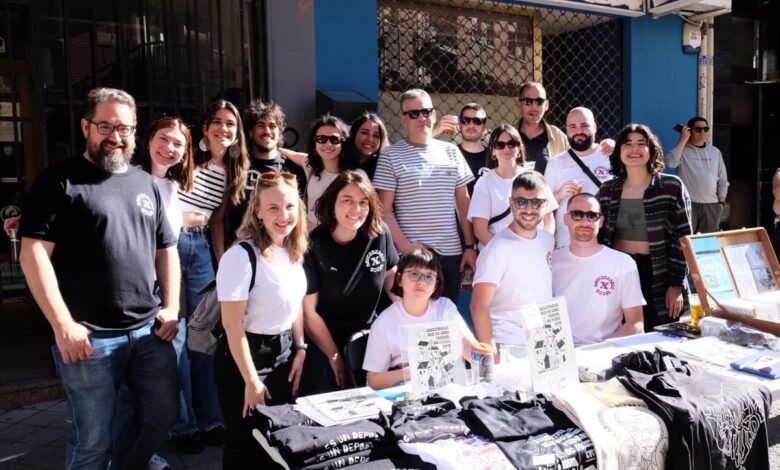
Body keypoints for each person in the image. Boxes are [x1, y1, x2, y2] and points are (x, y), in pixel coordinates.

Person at [18, 87, 180, 469]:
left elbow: (166, 249)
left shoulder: (145, 183)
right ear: (86, 126)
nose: (115, 136)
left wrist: (172, 306)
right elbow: (33, 253)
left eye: (124, 128)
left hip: (150, 332)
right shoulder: (59, 181)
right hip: (89, 338)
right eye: (105, 126)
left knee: (160, 418)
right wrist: (63, 325)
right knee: (93, 439)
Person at [214, 171, 308, 468]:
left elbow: (295, 303)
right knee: (246, 445)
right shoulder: (240, 256)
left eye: (290, 206)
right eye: (273, 208)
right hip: (247, 357)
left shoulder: (292, 250)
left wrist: (300, 347)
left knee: (276, 444)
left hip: (283, 353)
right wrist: (252, 381)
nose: (284, 215)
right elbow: (232, 325)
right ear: (257, 211)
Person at [173, 99, 249, 452]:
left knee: (202, 335)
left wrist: (222, 266)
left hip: (201, 246)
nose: (223, 128)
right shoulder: (185, 158)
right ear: (205, 127)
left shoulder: (232, 169)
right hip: (170, 245)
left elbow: (217, 220)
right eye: (217, 121)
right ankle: (183, 425)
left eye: (230, 123)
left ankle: (209, 419)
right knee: (175, 335)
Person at [299, 171, 399, 395]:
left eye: (363, 202)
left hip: (369, 339)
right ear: (332, 202)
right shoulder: (313, 245)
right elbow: (309, 313)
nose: (356, 210)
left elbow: (392, 282)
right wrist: (334, 356)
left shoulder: (380, 234)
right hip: (325, 342)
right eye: (347, 200)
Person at [131, 115, 195, 468]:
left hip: (166, 291)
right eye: (164, 139)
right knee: (135, 381)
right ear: (149, 139)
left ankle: (152, 444)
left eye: (178, 144)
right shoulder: (128, 179)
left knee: (165, 373)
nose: (169, 148)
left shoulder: (173, 187)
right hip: (134, 289)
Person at [374, 89, 477, 304]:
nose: (422, 118)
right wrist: (405, 248)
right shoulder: (390, 156)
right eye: (414, 114)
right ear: (403, 120)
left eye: (427, 112)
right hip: (412, 256)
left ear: (434, 115)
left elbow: (463, 202)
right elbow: (384, 209)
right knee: (414, 315)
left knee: (445, 315)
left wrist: (469, 247)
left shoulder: (452, 151)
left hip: (451, 255)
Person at [597, 123, 692, 332]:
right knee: (620, 331)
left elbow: (683, 237)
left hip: (658, 272)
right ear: (619, 150)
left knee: (658, 333)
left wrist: (676, 284)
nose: (634, 149)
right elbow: (598, 233)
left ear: (651, 150)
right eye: (628, 144)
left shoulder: (671, 186)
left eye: (641, 143)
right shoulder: (608, 189)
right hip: (618, 272)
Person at [362, 246, 475, 390]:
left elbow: (467, 345)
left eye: (429, 276)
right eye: (414, 274)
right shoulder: (384, 322)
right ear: (399, 279)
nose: (421, 282)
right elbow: (374, 380)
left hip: (448, 387)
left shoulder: (445, 308)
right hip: (406, 392)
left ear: (436, 285)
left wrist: (485, 360)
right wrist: (417, 371)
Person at [471, 171, 555, 354]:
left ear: (546, 204)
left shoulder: (547, 240)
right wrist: (490, 352)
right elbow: (478, 305)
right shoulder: (496, 249)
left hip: (542, 340)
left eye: (537, 203)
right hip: (507, 343)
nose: (529, 210)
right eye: (521, 202)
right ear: (510, 203)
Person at [552, 193, 645, 345]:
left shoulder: (623, 263)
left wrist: (597, 351)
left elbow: (635, 324)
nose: (584, 222)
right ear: (565, 218)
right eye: (577, 215)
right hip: (562, 352)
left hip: (605, 352)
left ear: (601, 221)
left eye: (592, 216)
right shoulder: (551, 261)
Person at [219, 99, 307, 249]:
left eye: (272, 126)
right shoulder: (236, 165)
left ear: (280, 132)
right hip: (239, 247)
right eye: (260, 125)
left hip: (280, 250)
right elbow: (220, 215)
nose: (267, 131)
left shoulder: (293, 170)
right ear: (250, 132)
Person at [468, 124, 557, 248]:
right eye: (500, 145)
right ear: (493, 151)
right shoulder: (484, 183)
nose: (506, 149)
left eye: (512, 144)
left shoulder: (536, 178)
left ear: (519, 148)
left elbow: (549, 220)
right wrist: (507, 253)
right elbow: (480, 231)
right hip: (499, 252)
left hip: (535, 249)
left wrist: (543, 244)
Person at [545, 107, 613, 248]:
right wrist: (559, 194)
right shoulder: (555, 163)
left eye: (584, 125)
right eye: (572, 126)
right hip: (567, 244)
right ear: (566, 130)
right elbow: (543, 206)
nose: (578, 131)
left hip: (606, 242)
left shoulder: (610, 156)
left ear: (594, 127)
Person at [665, 116, 728, 234]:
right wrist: (683, 140)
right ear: (690, 131)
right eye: (698, 129)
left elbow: (723, 179)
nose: (702, 132)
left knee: (708, 241)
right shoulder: (682, 150)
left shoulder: (715, 151)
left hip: (711, 205)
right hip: (689, 203)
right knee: (687, 239)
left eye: (705, 129)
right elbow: (670, 163)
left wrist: (721, 202)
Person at [303, 114, 366, 231]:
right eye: (321, 139)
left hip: (339, 239)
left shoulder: (357, 177)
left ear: (343, 143)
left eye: (334, 140)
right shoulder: (311, 167)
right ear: (314, 143)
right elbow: (292, 155)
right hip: (309, 238)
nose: (328, 144)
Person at [514, 82, 568, 175]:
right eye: (528, 101)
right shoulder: (507, 136)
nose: (534, 107)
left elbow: (578, 160)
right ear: (519, 105)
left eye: (539, 102)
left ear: (546, 105)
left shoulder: (557, 136)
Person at [345, 112, 390, 180]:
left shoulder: (384, 169)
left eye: (376, 136)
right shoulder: (338, 160)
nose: (370, 139)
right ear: (354, 134)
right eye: (365, 133)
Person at [457, 103, 489, 194]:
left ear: (484, 127)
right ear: (460, 125)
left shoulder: (494, 157)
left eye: (477, 121)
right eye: (466, 120)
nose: (471, 125)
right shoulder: (450, 155)